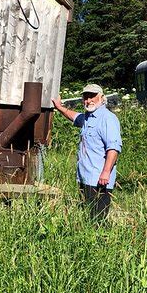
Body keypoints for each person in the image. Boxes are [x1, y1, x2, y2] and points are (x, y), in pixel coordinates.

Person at [52, 84, 122, 221]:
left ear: (102, 98)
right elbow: (74, 116)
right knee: (87, 216)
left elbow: (113, 148)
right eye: (86, 97)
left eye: (92, 96)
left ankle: (101, 241)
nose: (88, 100)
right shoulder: (87, 118)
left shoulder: (108, 118)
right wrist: (59, 107)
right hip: (85, 177)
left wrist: (106, 172)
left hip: (99, 179)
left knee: (98, 219)